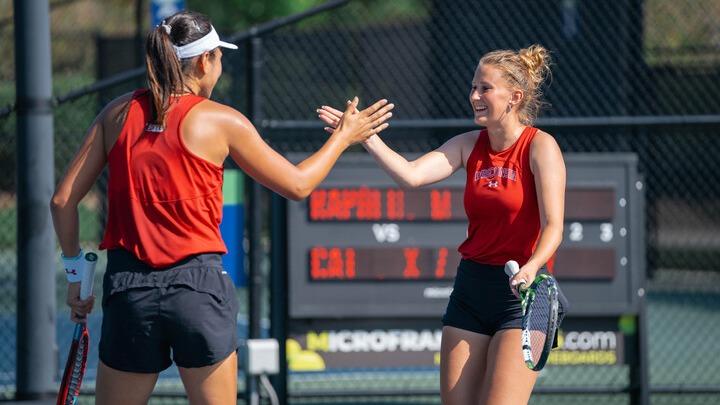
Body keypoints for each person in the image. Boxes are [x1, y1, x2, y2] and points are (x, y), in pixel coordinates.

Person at [50, 10, 393, 405]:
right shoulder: (221, 120)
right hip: (198, 290)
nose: (220, 66)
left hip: (130, 291)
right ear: (202, 62)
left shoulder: (116, 113)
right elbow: (298, 185)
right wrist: (343, 137)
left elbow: (62, 201)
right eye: (218, 57)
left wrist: (76, 276)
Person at [318, 44, 565, 404]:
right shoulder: (468, 145)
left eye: (485, 88)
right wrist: (362, 136)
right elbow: (411, 175)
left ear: (515, 97)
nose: (475, 96)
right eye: (473, 87)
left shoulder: (541, 147)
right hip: (471, 290)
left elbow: (554, 226)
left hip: (520, 297)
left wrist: (530, 267)